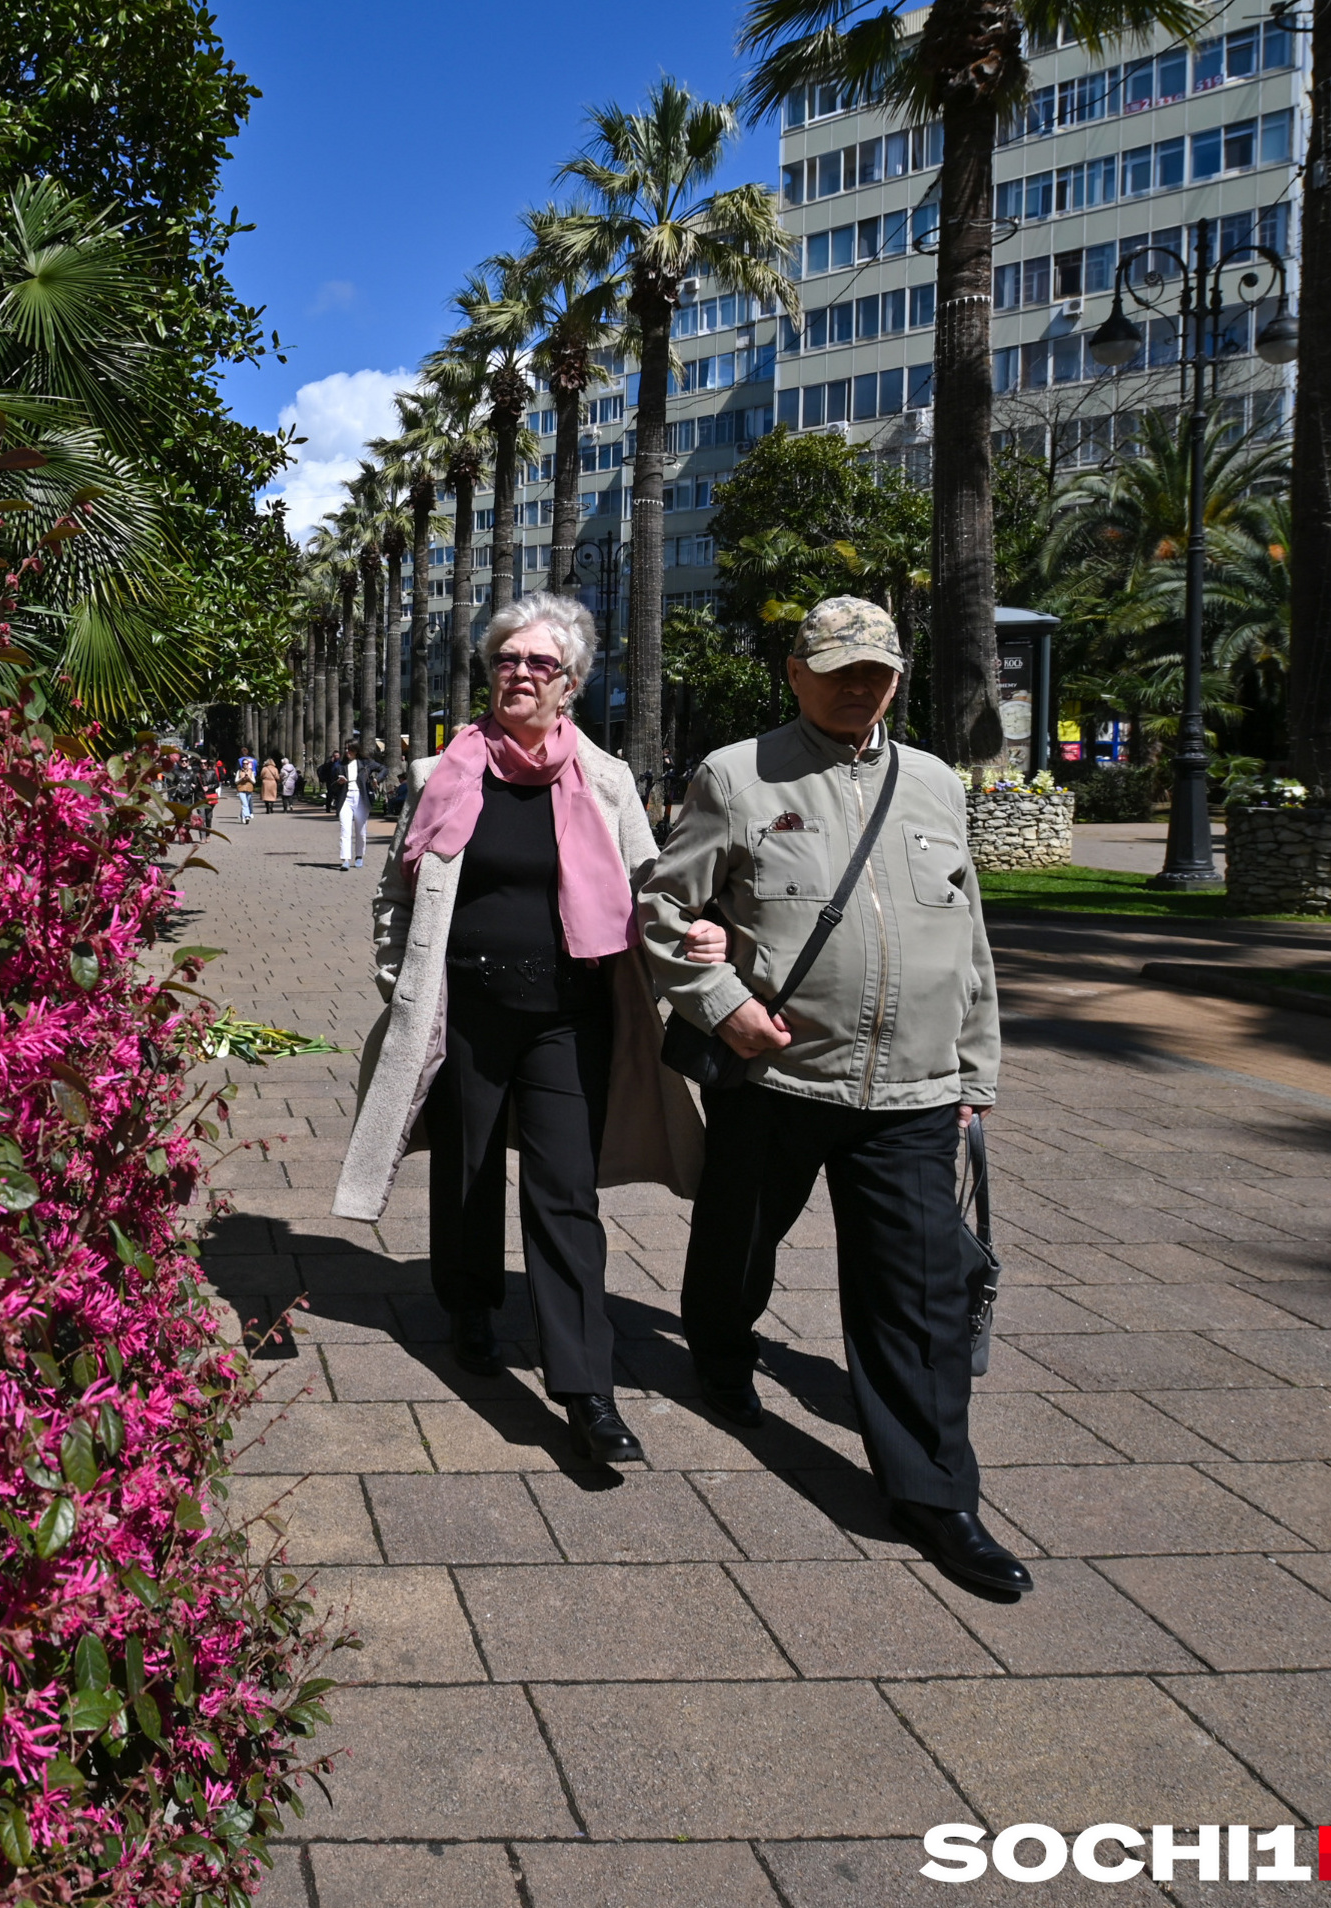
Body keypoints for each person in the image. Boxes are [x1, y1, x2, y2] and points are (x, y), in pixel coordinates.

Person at [637, 597, 1022, 1598]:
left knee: (921, 1296)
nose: (862, 684)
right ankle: (721, 1351)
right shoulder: (738, 774)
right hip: (780, 1076)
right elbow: (662, 906)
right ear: (796, 672)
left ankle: (938, 1496)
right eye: (840, 667)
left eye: (879, 669)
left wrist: (972, 1075)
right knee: (740, 1238)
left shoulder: (935, 782)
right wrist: (724, 1006)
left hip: (913, 1094)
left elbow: (966, 936)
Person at [330, 597, 712, 1467]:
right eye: (508, 658)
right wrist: (399, 978)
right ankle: (469, 1308)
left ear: (569, 684)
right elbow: (396, 892)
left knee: (563, 1194)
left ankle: (585, 1388)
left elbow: (653, 887)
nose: (521, 673)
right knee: (466, 1173)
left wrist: (697, 931)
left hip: (568, 1018)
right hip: (462, 1010)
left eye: (541, 664)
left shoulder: (606, 779)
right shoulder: (444, 775)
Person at [334, 739, 369, 871]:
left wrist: (377, 779)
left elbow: (383, 769)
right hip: (346, 799)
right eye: (346, 749)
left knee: (361, 830)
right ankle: (345, 860)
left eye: (350, 749)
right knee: (345, 829)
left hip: (360, 798)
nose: (347, 752)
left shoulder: (364, 763)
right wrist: (339, 783)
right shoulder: (340, 765)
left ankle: (359, 856)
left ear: (356, 750)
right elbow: (332, 785)